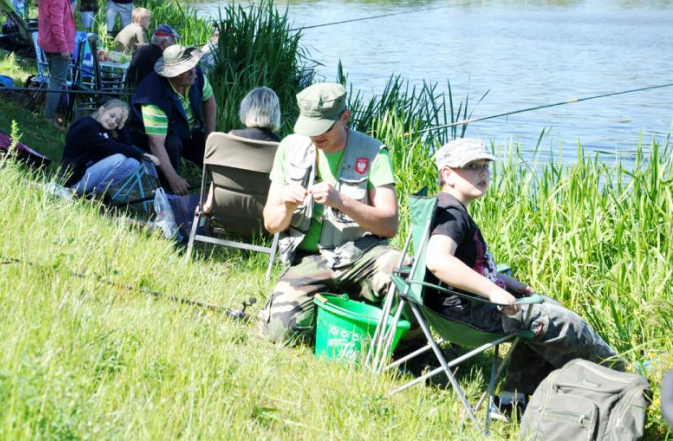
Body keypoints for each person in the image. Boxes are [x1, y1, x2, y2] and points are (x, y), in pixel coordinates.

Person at [425, 138, 627, 414]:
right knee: (563, 323)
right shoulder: (451, 214)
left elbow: (470, 265)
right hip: (470, 314)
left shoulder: (445, 207)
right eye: (472, 166)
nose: (483, 173)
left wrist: (505, 282)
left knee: (546, 309)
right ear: (447, 174)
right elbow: (438, 261)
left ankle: (511, 404)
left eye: (485, 166)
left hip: (462, 307)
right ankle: (623, 378)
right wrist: (495, 292)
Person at [259, 83, 401, 344]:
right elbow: (271, 223)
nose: (316, 136)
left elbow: (390, 224)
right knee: (281, 332)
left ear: (344, 117)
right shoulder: (289, 148)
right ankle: (337, 316)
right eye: (310, 128)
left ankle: (408, 344)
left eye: (323, 128)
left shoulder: (373, 153)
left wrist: (342, 201)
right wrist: (287, 208)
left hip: (361, 254)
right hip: (310, 259)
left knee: (402, 270)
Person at [129, 45, 216, 195]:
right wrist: (173, 178)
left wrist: (210, 133)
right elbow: (156, 144)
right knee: (172, 143)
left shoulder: (196, 76)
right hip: (146, 135)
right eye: (187, 68)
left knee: (208, 142)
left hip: (182, 129)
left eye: (193, 65)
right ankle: (169, 193)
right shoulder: (153, 95)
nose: (193, 71)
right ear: (175, 74)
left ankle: (219, 185)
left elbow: (209, 100)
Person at [61, 99, 159, 195]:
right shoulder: (85, 126)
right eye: (112, 116)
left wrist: (121, 126)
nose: (113, 122)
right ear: (101, 110)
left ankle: (95, 192)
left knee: (133, 163)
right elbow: (114, 147)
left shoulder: (104, 130)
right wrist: (142, 154)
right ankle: (95, 193)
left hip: (87, 176)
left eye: (117, 121)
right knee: (119, 158)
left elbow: (127, 146)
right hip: (74, 180)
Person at [37, 0, 79, 131]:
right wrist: (63, 49)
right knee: (57, 81)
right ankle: (49, 117)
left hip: (48, 42)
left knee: (55, 79)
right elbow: (57, 24)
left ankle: (51, 112)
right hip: (57, 45)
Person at [125, 24, 180, 89]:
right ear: (164, 42)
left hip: (131, 92)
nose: (174, 44)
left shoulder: (140, 50)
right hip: (149, 94)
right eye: (173, 40)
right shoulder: (161, 57)